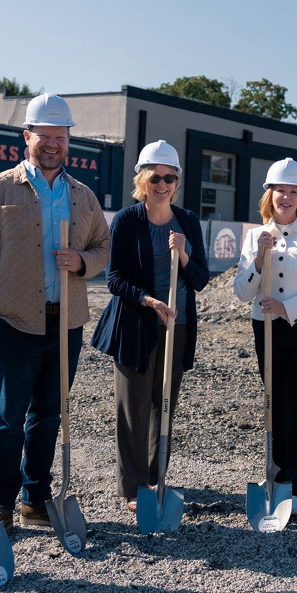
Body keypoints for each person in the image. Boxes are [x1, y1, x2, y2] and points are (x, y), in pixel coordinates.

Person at [0, 92, 109, 534]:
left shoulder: (82, 196)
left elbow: (103, 246)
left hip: (66, 322)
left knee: (48, 414)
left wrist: (82, 263)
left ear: (68, 141)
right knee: (7, 416)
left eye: (59, 137)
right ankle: (1, 502)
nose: (52, 145)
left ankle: (35, 497)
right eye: (43, 136)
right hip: (13, 320)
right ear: (27, 137)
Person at [90, 140, 210, 510]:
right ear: (143, 179)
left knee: (165, 404)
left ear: (177, 181)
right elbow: (114, 279)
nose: (163, 184)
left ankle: (157, 479)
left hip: (179, 324)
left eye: (169, 177)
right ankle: (133, 487)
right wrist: (148, 299)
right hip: (136, 324)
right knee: (133, 407)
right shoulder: (128, 220)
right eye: (155, 177)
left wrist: (184, 255)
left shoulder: (188, 220)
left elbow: (202, 279)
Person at [233, 158, 297, 515]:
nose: (287, 198)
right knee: (274, 401)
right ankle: (276, 475)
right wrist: (259, 258)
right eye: (281, 191)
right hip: (266, 327)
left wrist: (287, 306)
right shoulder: (253, 236)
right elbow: (242, 293)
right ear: (270, 195)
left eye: (294, 191)